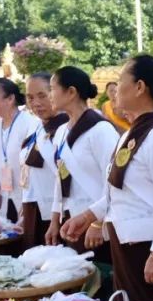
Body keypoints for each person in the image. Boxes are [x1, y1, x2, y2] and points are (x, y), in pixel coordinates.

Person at [61, 55, 153, 301]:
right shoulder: (134, 133)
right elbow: (121, 192)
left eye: (122, 79)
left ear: (139, 87)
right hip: (130, 249)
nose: (115, 87)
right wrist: (88, 215)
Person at [45, 67, 119, 255]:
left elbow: (114, 181)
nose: (49, 95)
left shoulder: (101, 130)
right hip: (72, 219)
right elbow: (59, 179)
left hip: (99, 221)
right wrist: (55, 220)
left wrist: (97, 221)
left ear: (71, 92)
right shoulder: (61, 132)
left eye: (52, 88)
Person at [18, 73, 69, 249]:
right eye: (30, 98)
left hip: (59, 213)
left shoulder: (66, 129)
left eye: (42, 96)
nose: (36, 103)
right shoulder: (38, 127)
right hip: (33, 208)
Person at [0, 79, 37, 222]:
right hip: (6, 199)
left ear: (10, 99)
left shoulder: (31, 124)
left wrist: (26, 203)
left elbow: (33, 170)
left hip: (30, 201)